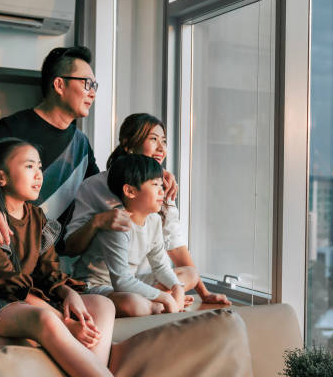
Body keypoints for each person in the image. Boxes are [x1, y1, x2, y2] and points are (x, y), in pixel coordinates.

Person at [0, 138, 115, 377]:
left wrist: (68, 293)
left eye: (39, 167)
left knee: (102, 304)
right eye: (29, 166)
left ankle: (92, 370)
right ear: (1, 177)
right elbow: (2, 282)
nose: (38, 174)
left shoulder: (36, 216)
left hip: (17, 299)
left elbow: (47, 270)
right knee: (46, 318)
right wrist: (65, 323)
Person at [0, 46, 151, 249]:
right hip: (0, 256)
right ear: (59, 85)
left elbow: (104, 189)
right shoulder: (11, 128)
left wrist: (153, 173)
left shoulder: (81, 143)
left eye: (95, 86)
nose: (92, 93)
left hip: (48, 262)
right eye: (87, 83)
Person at [64, 113, 230, 307]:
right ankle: (154, 302)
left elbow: (175, 247)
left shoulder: (163, 190)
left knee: (190, 275)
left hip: (139, 279)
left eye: (164, 141)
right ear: (128, 144)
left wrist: (204, 293)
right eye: (153, 139)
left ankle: (154, 301)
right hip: (104, 282)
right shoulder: (94, 186)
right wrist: (98, 222)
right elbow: (71, 247)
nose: (161, 148)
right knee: (132, 300)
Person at [71, 153, 192, 316]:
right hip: (97, 287)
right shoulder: (117, 223)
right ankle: (155, 306)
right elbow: (121, 281)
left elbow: (160, 266)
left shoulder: (155, 221)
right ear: (130, 191)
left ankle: (153, 303)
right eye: (155, 184)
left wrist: (177, 288)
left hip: (128, 283)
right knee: (133, 304)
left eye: (161, 185)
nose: (161, 191)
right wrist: (166, 298)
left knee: (190, 274)